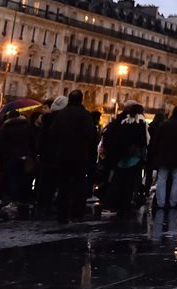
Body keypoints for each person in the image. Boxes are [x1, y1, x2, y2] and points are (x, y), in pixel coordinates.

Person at [47, 90, 98, 224]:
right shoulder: (85, 115)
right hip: (80, 155)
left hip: (63, 154)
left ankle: (62, 214)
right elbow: (90, 134)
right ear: (81, 100)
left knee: (63, 185)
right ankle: (76, 214)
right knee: (78, 185)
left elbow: (52, 133)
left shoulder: (62, 114)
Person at [107, 102, 148, 214]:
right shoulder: (140, 122)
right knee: (130, 183)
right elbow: (143, 140)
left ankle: (118, 204)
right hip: (134, 156)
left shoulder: (123, 122)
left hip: (121, 156)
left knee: (121, 181)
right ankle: (126, 205)